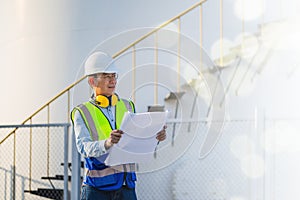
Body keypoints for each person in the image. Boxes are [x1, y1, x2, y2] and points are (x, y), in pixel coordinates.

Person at [71, 51, 167, 200]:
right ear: (92, 82)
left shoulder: (128, 106)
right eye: (106, 76)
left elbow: (137, 143)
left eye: (114, 76)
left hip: (126, 187)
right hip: (97, 189)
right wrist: (107, 143)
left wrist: (155, 138)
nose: (113, 81)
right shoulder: (82, 112)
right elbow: (83, 147)